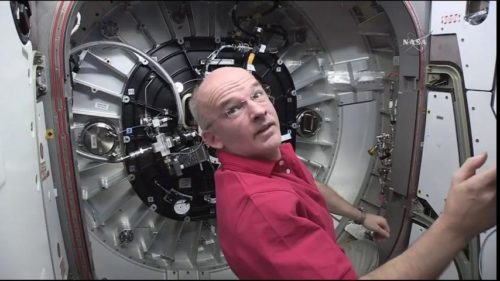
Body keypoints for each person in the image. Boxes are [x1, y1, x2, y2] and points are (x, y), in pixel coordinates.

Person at [189, 66, 497, 279]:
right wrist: (456, 228)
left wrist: (361, 216)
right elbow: (278, 210)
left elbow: (310, 186)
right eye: (233, 109)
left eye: (257, 95)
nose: (258, 111)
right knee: (373, 256)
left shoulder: (265, 155)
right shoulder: (264, 211)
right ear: (213, 139)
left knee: (365, 249)